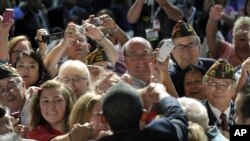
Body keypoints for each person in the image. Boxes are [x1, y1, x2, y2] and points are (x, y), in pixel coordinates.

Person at [97, 82, 188, 141]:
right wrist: (162, 93)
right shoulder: (161, 133)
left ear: (103, 118)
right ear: (144, 115)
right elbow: (178, 117)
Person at [169, 20, 215, 97]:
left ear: (199, 48)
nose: (187, 51)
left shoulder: (212, 67)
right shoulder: (170, 77)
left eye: (191, 46)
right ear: (173, 52)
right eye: (180, 47)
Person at [202, 59, 236, 133]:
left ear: (234, 89)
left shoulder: (245, 112)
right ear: (205, 87)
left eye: (224, 84)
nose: (219, 89)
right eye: (213, 84)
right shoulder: (195, 113)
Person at [0, 64, 30, 134]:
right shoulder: (3, 115)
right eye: (1, 90)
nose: (8, 93)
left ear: (23, 85)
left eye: (11, 86)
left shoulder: (39, 106)